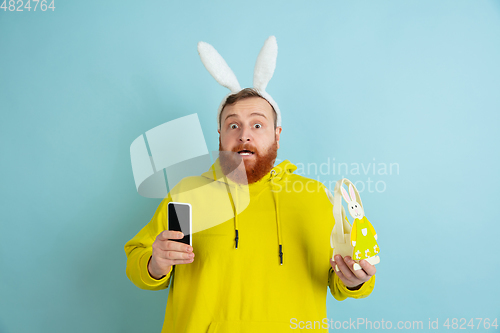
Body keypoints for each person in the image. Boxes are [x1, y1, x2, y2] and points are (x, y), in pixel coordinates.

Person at [124, 88, 377, 332]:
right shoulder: (186, 194)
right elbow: (138, 257)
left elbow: (342, 276)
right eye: (233, 126)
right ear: (220, 136)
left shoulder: (315, 197)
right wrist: (155, 264)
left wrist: (356, 280)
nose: (244, 135)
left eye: (257, 125)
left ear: (277, 135)